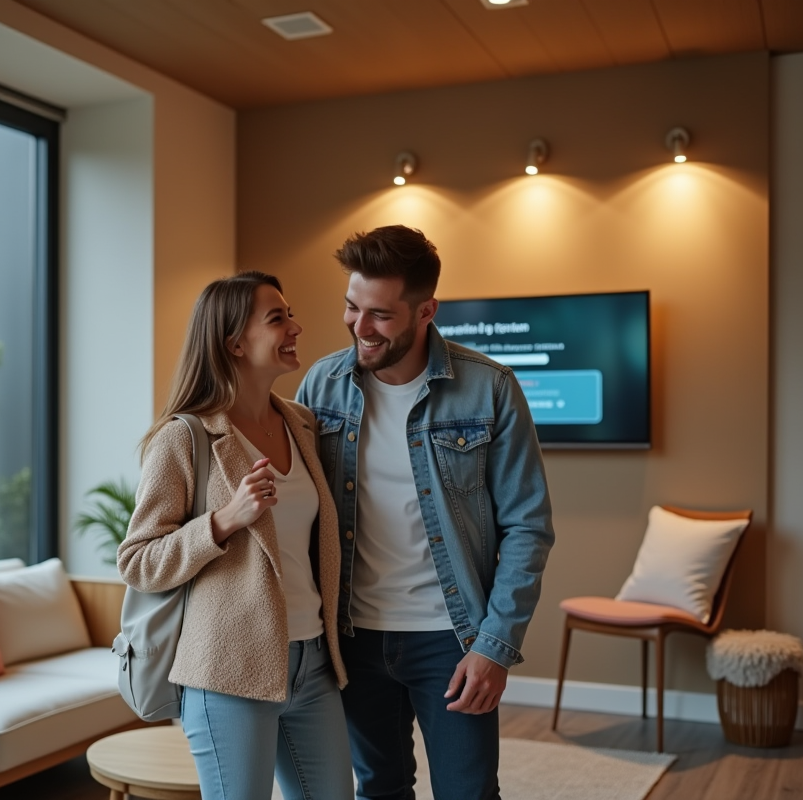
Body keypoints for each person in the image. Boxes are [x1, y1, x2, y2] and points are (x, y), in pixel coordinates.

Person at [295, 225, 555, 800]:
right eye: (351, 306)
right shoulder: (321, 385)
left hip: (452, 640)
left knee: (468, 791)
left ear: (426, 311)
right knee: (379, 789)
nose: (360, 328)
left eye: (381, 316)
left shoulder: (490, 389)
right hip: (352, 636)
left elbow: (528, 527)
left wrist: (494, 646)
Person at [117, 271, 354, 800]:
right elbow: (137, 560)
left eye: (290, 314)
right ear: (234, 342)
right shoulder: (184, 437)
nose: (296, 326)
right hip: (229, 673)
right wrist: (224, 520)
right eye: (278, 318)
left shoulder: (301, 423)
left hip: (313, 661)